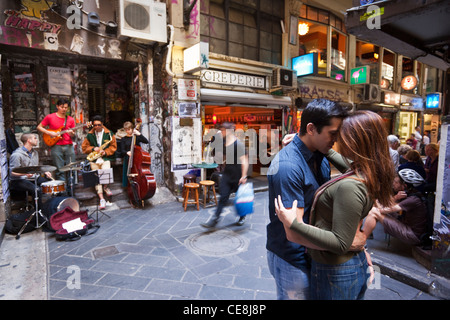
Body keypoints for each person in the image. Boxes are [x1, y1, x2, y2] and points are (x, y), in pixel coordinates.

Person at [275, 110, 394, 300]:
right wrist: (318, 145)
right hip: (346, 267)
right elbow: (346, 166)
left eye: (341, 134)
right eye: (333, 134)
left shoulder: (350, 186)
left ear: (356, 141)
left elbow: (340, 243)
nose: (336, 139)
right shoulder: (369, 171)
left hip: (336, 271)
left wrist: (294, 223)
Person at [266, 99, 352, 300]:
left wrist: (323, 147)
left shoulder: (320, 156)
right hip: (293, 258)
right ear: (311, 128)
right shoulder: (288, 166)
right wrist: (344, 245)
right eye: (332, 134)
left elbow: (357, 173)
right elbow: (294, 230)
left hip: (312, 254)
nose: (335, 140)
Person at [201, 122, 249, 228]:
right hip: (227, 174)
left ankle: (242, 216)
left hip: (238, 176)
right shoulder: (224, 143)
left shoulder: (238, 144)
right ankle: (215, 219)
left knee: (240, 199)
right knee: (223, 197)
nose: (221, 132)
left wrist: (244, 176)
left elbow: (245, 160)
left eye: (222, 130)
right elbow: (223, 157)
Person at [365, 168, 428, 246]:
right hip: (404, 224)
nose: (393, 184)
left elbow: (384, 210)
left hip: (412, 235)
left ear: (404, 186)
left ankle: (362, 241)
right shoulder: (409, 194)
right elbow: (386, 204)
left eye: (396, 182)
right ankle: (368, 232)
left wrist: (376, 200)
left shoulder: (413, 199)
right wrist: (395, 198)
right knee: (375, 207)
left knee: (374, 211)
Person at [81, 115, 117, 210]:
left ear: (102, 124)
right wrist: (93, 148)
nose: (96, 127)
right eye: (95, 125)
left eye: (98, 125)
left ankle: (105, 187)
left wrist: (105, 152)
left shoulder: (109, 134)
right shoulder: (90, 134)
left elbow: (113, 147)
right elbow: (84, 148)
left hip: (104, 158)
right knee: (97, 180)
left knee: (105, 175)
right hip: (94, 160)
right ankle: (102, 199)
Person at [37, 98, 75, 182]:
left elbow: (73, 134)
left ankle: (71, 189)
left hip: (68, 145)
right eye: (62, 107)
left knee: (72, 168)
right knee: (59, 169)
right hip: (56, 146)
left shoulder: (70, 119)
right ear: (57, 106)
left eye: (66, 107)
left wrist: (70, 133)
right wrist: (49, 133)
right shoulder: (50, 117)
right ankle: (62, 190)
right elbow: (39, 127)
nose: (64, 109)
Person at [9, 133, 52, 208]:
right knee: (36, 190)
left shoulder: (35, 153)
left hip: (33, 177)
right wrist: (25, 174)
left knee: (50, 184)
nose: (37, 140)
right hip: (19, 180)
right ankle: (38, 212)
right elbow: (12, 173)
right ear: (29, 140)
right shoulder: (16, 155)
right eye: (35, 138)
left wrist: (44, 171)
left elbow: (36, 167)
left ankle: (50, 206)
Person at [117, 121, 149, 187]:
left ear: (132, 129)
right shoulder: (123, 139)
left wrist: (139, 134)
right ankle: (128, 187)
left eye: (128, 129)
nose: (127, 131)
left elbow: (146, 141)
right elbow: (122, 151)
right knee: (128, 173)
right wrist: (127, 152)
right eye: (126, 130)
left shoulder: (136, 137)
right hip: (128, 159)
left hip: (137, 159)